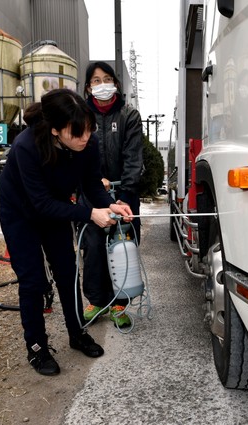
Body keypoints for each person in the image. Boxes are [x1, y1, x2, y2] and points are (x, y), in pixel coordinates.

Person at [0, 88, 133, 376]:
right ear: (56, 130)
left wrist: (111, 206)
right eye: (78, 133)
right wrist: (89, 214)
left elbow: (93, 186)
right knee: (33, 281)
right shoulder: (27, 146)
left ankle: (77, 332)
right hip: (20, 213)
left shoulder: (88, 144)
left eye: (89, 130)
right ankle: (36, 347)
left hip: (55, 208)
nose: (86, 137)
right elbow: (41, 203)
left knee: (68, 274)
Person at [81, 61, 144, 328]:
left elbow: (133, 158)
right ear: (88, 87)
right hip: (91, 192)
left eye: (107, 79)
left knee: (123, 246)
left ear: (116, 84)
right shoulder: (82, 116)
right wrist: (95, 181)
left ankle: (120, 303)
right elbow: (78, 155)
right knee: (93, 247)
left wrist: (125, 194)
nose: (102, 85)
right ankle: (97, 301)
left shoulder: (129, 115)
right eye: (96, 81)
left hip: (124, 191)